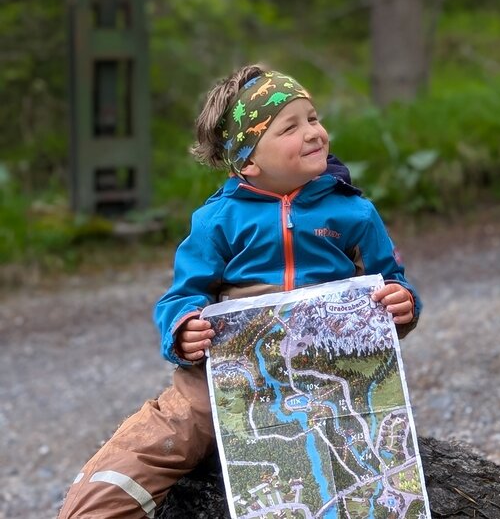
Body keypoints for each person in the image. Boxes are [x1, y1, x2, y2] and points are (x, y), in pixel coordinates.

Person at [58, 65, 422, 518]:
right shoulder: (218, 221)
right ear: (248, 159)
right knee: (137, 453)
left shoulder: (355, 212)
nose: (314, 133)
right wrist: (183, 329)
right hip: (227, 379)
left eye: (313, 117)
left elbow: (391, 285)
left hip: (332, 377)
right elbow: (181, 296)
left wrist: (401, 305)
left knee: (370, 480)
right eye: (290, 127)